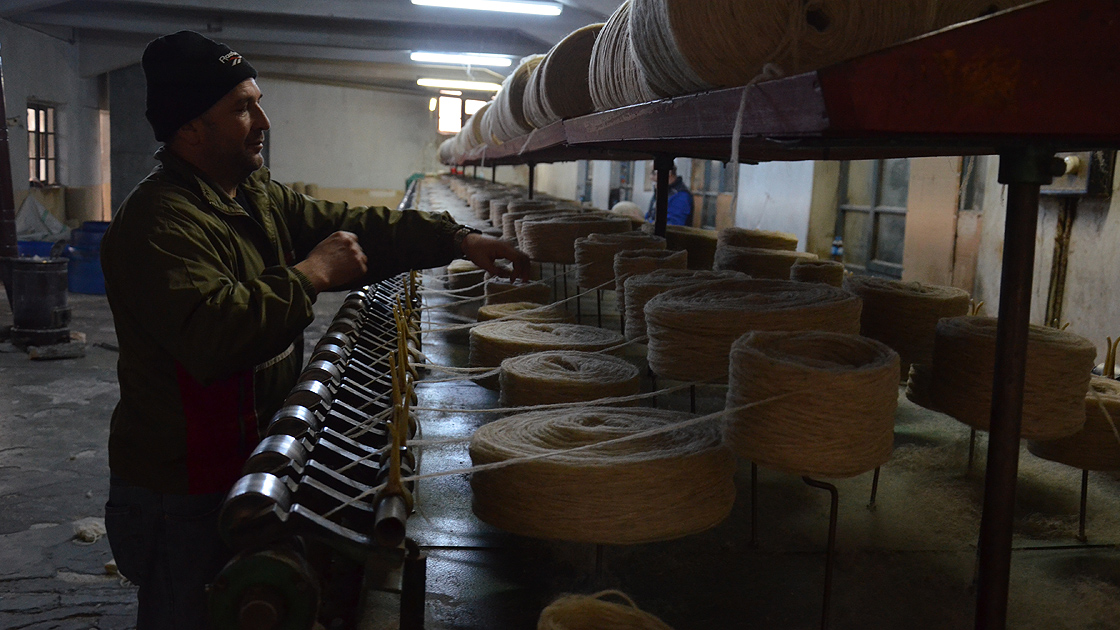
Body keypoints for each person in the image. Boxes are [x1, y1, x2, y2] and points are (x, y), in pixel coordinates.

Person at [100, 30, 528, 629]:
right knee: (190, 613)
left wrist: (457, 239)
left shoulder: (251, 193)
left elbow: (351, 225)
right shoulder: (158, 222)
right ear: (190, 129)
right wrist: (309, 276)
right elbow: (213, 336)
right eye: (241, 108)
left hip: (251, 457)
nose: (262, 120)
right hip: (183, 484)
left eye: (258, 100)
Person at [645, 161, 692, 226]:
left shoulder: (681, 196)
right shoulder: (663, 190)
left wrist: (646, 223)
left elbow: (673, 226)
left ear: (668, 173)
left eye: (654, 173)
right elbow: (651, 214)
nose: (651, 177)